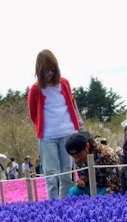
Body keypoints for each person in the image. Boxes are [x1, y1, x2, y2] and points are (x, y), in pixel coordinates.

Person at [27, 49, 82, 200]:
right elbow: (33, 114)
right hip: (48, 137)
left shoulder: (64, 83)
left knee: (66, 173)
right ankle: (52, 206)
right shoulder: (35, 90)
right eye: (45, 70)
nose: (49, 73)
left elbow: (71, 105)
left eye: (52, 69)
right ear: (39, 71)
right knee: (51, 175)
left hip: (67, 133)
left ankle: (66, 204)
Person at [65, 131, 121, 197]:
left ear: (87, 146)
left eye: (79, 155)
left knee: (99, 199)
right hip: (92, 187)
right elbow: (83, 175)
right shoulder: (79, 158)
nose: (77, 159)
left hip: (108, 187)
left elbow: (115, 185)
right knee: (72, 192)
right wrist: (82, 182)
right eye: (74, 157)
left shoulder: (107, 154)